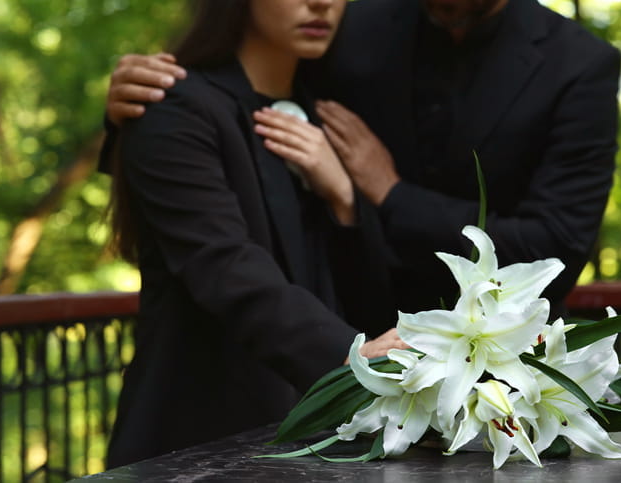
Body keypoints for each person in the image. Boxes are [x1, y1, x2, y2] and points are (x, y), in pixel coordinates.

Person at [104, 0, 621, 317]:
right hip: (339, 356)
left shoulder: (581, 65)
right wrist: (139, 106)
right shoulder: (348, 23)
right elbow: (244, 97)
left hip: (505, 368)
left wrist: (390, 194)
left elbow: (553, 253)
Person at [106, 0, 406, 468]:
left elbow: (359, 287)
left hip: (315, 443)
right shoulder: (174, 107)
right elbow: (222, 263)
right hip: (196, 441)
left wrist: (345, 198)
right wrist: (347, 357)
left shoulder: (329, 118)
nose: (322, 3)